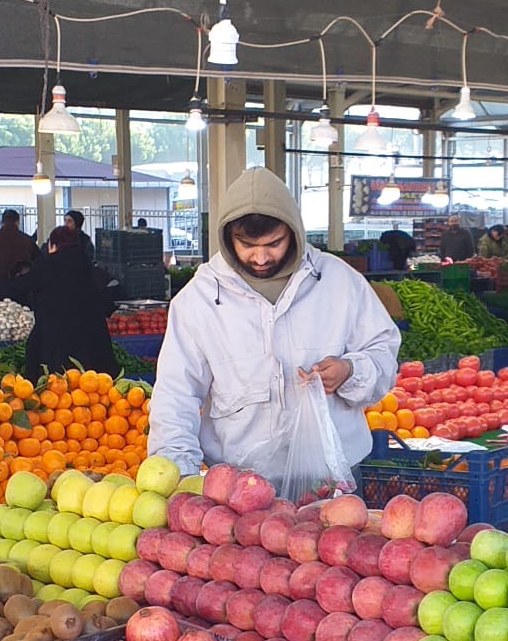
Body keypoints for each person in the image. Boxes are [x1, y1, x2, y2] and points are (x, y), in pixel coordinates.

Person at [149, 167, 400, 478]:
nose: (261, 257)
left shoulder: (339, 281)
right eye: (248, 245)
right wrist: (178, 473)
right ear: (228, 237)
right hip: (239, 484)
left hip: (335, 478)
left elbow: (384, 352)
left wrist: (352, 371)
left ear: (293, 231)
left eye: (274, 243)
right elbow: (176, 393)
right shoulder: (198, 301)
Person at [0, 225, 118, 377]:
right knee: (91, 386)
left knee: (56, 386)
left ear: (52, 246)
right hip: (91, 338)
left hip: (56, 339)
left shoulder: (47, 266)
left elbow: (19, 285)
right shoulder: (87, 266)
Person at [0, 209, 39, 288]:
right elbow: (38, 262)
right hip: (22, 286)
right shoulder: (27, 239)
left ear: (2, 223)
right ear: (17, 222)